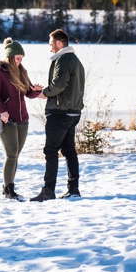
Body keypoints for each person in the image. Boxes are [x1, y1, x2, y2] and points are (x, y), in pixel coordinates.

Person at [30, 29, 86, 202]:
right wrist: (46, 91)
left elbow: (58, 85)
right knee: (69, 150)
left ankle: (48, 191)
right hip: (73, 112)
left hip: (60, 114)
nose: (50, 48)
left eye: (51, 44)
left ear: (59, 43)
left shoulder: (63, 59)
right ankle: (73, 188)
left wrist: (43, 93)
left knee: (51, 151)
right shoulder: (76, 61)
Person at [0, 37, 43, 200]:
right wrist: (2, 111)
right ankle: (7, 188)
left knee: (16, 155)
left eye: (22, 59)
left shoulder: (22, 71)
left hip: (22, 119)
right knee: (11, 154)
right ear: (10, 57)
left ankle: (10, 185)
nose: (20, 61)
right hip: (7, 119)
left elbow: (28, 93)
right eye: (18, 58)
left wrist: (36, 90)